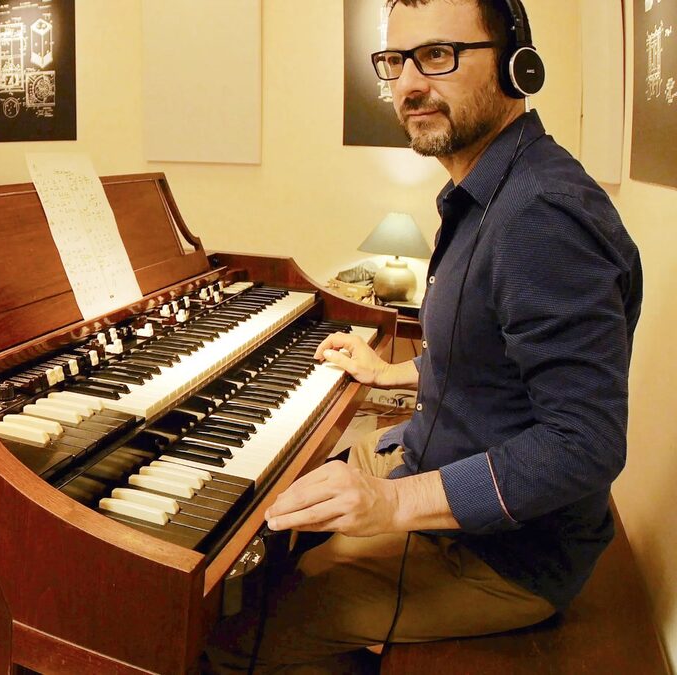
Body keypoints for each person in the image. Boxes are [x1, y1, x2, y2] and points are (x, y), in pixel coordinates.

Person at [204, 0, 643, 671]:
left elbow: (583, 443)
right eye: (394, 61)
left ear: (515, 63)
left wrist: (396, 500)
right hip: (431, 457)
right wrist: (395, 373)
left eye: (437, 55)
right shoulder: (488, 187)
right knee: (267, 500)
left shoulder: (542, 217)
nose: (409, 84)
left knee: (243, 633)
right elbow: (497, 351)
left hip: (508, 556)